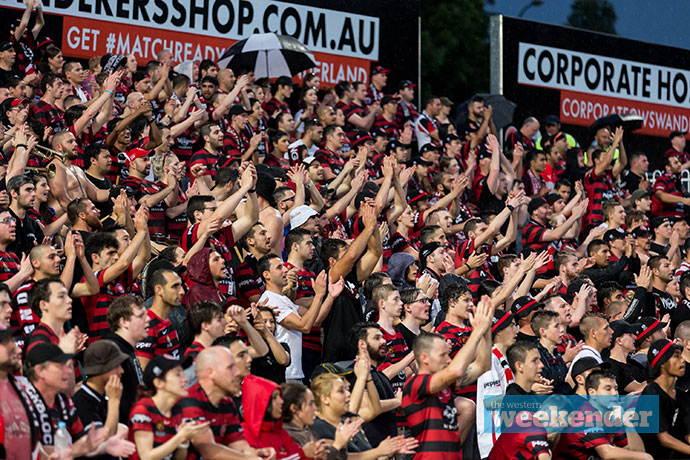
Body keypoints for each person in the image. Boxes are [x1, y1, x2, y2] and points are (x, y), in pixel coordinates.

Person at [402, 297, 493, 459]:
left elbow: (483, 365)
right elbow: (457, 370)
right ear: (425, 358)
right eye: (443, 355)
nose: (449, 359)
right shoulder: (416, 384)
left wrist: (486, 331)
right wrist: (477, 331)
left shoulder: (444, 386)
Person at [129, 354, 209, 460]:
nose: (185, 379)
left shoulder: (177, 409)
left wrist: (183, 443)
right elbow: (146, 457)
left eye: (183, 373)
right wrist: (180, 436)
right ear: (158, 383)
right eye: (178, 374)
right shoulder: (143, 410)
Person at [487, 340, 551, 460]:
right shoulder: (513, 401)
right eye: (534, 361)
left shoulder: (530, 396)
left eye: (540, 360)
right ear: (519, 366)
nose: (541, 365)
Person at [640, 338, 690, 458]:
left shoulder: (681, 395)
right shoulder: (651, 393)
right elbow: (664, 438)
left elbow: (688, 433)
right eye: (676, 356)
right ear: (662, 363)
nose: (683, 360)